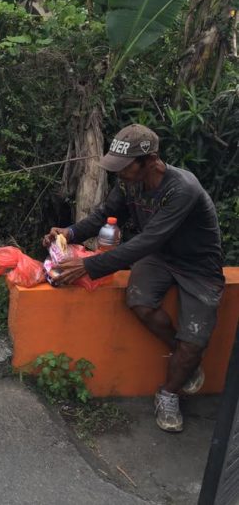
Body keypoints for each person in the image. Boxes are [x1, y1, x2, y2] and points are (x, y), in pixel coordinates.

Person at [42, 124, 225, 433]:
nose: (119, 173)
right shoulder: (129, 184)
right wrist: (69, 232)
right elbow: (104, 216)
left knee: (193, 342)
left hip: (198, 267)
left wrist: (91, 266)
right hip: (161, 258)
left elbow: (147, 241)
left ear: (150, 160)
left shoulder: (182, 190)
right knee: (138, 302)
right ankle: (186, 359)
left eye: (124, 167)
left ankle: (169, 392)